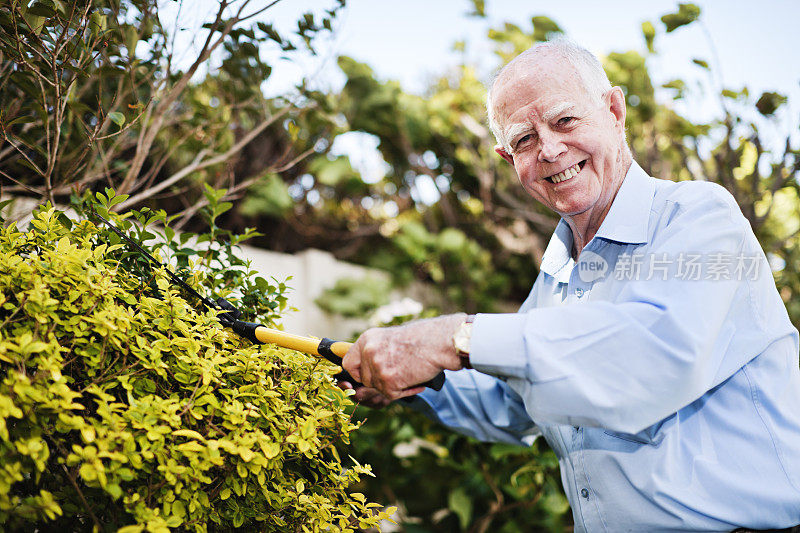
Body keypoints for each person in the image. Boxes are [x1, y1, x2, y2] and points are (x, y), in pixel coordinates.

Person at [340, 39, 800, 532]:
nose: (550, 150)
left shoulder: (699, 217)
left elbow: (649, 356)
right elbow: (510, 402)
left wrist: (456, 337)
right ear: (507, 157)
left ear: (614, 110)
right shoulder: (557, 274)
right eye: (524, 140)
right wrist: (410, 382)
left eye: (564, 121)